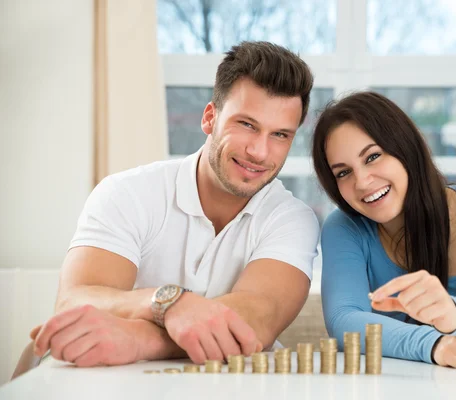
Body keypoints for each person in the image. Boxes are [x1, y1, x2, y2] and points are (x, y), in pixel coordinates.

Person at [13, 41, 319, 377]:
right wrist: (169, 302)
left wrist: (140, 338)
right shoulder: (127, 193)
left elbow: (256, 320)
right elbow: (75, 302)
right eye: (246, 124)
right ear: (209, 118)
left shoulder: (292, 219)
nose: (260, 151)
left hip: (236, 385)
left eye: (280, 134)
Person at [312, 91, 456, 371]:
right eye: (343, 172)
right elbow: (345, 321)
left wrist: (453, 316)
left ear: (405, 148)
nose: (362, 181)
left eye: (372, 157)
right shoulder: (345, 227)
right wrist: (436, 344)